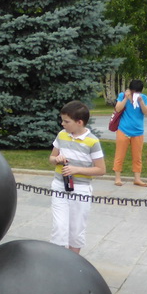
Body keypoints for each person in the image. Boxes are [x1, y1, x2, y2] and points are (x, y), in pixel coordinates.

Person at [48, 101, 106, 254]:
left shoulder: (92, 141)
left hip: (80, 189)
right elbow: (52, 158)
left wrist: (76, 169)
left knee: (76, 228)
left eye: (66, 121)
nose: (63, 124)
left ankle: (73, 263)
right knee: (59, 227)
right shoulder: (62, 135)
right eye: (62, 120)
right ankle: (57, 260)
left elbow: (101, 169)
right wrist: (57, 160)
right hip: (60, 185)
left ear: (79, 122)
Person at [113, 79, 147, 187]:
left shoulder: (143, 98)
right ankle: (117, 178)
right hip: (123, 129)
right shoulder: (122, 95)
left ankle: (137, 179)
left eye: (137, 92)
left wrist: (141, 102)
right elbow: (118, 108)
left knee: (137, 156)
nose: (135, 94)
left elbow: (146, 112)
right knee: (119, 154)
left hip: (138, 131)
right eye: (133, 91)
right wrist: (126, 98)